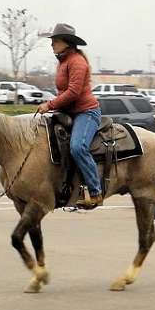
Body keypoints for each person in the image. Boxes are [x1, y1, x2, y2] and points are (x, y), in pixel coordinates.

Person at [37, 23, 103, 208]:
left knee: (77, 147)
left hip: (86, 112)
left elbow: (74, 92)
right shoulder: (63, 61)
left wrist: (50, 105)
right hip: (68, 111)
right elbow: (64, 92)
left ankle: (95, 192)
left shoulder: (77, 62)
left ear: (66, 43)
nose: (52, 45)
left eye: (55, 41)